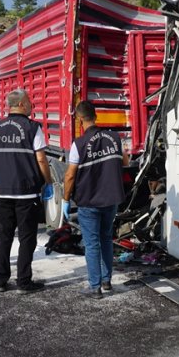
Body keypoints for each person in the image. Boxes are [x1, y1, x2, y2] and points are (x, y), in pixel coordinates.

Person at [62, 100, 129, 297]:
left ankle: (95, 287)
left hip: (89, 201)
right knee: (106, 239)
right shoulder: (114, 138)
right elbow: (125, 161)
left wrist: (66, 199)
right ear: (96, 115)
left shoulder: (79, 144)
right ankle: (107, 281)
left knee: (92, 244)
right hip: (111, 199)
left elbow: (70, 175)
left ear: (80, 120)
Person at [0, 89, 53, 293]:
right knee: (27, 238)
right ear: (23, 104)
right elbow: (41, 159)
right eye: (30, 102)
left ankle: (0, 280)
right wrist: (48, 182)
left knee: (4, 237)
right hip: (26, 193)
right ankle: (23, 282)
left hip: (2, 193)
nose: (32, 105)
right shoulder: (32, 127)